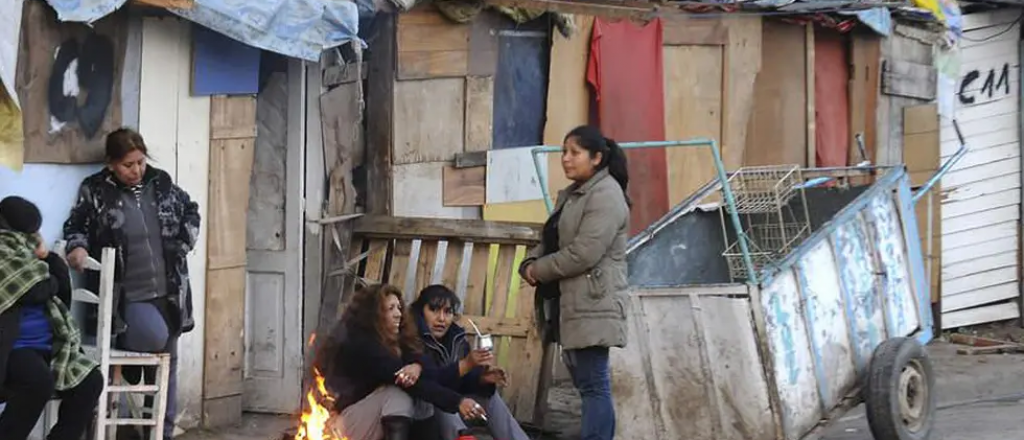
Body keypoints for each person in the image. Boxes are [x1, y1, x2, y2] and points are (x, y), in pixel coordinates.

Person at [62, 127, 200, 439]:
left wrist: (182, 243)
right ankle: (125, 425)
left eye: (140, 162)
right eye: (128, 165)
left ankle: (160, 432)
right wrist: (78, 246)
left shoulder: (160, 182)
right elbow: (76, 225)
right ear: (111, 163)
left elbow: (191, 210)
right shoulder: (95, 190)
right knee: (157, 339)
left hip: (169, 292)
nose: (136, 170)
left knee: (168, 362)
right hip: (127, 298)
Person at [519, 125, 630, 440]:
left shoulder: (606, 195)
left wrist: (538, 270)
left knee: (594, 384)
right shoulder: (574, 194)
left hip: (593, 302)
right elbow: (553, 238)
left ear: (596, 158)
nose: (565, 159)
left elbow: (584, 253)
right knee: (587, 383)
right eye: (563, 152)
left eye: (574, 153)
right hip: (573, 302)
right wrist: (530, 263)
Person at [321, 284, 488, 440]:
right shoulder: (363, 344)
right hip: (341, 426)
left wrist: (418, 366)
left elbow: (432, 374)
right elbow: (407, 381)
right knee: (398, 395)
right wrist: (458, 402)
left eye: (399, 308)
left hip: (368, 424)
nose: (398, 314)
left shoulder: (400, 342)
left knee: (424, 400)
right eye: (390, 308)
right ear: (372, 313)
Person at [0, 196, 104, 440]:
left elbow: (61, 292)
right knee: (38, 382)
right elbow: (33, 291)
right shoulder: (5, 253)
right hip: (13, 348)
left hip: (51, 345)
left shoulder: (31, 257)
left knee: (90, 381)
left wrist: (48, 258)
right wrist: (49, 276)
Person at [411, 285, 530, 440]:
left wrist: (481, 379)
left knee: (491, 398)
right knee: (445, 401)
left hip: (452, 402)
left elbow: (461, 382)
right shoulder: (412, 336)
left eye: (447, 312)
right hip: (423, 408)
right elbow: (429, 383)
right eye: (434, 310)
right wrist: (466, 365)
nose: (441, 318)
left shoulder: (456, 338)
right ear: (421, 311)